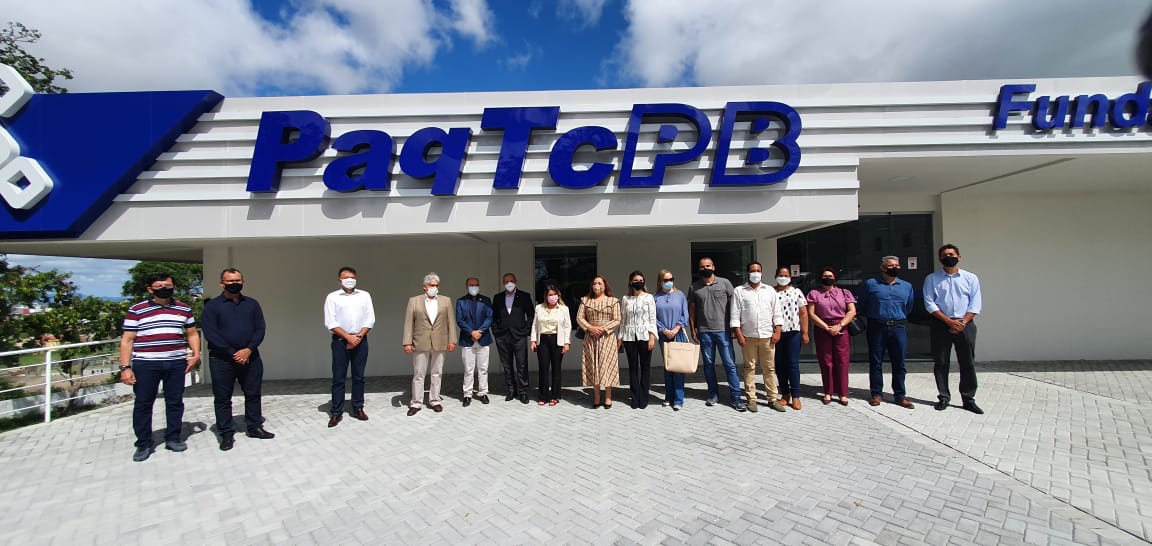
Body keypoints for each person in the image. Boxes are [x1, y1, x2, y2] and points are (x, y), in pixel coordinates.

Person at [119, 273, 200, 462]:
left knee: (175, 402)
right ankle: (144, 443)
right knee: (143, 404)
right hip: (146, 364)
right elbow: (127, 340)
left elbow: (192, 333)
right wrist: (125, 367)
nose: (164, 289)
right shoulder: (137, 310)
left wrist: (196, 355)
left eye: (168, 285)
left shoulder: (183, 308)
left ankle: (173, 437)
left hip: (176, 363)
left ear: (174, 287)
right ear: (150, 289)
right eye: (159, 286)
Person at [200, 268, 274, 452]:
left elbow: (260, 329)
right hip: (222, 359)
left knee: (253, 394)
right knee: (223, 398)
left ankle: (254, 427)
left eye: (237, 280)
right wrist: (233, 352)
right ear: (222, 283)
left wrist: (248, 349)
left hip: (250, 357)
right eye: (230, 281)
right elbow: (210, 333)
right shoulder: (213, 306)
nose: (234, 284)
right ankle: (226, 433)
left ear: (243, 282)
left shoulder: (252, 304)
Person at [924, 244, 984, 414]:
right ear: (940, 259)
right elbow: (929, 303)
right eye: (944, 255)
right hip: (941, 325)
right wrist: (949, 322)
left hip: (965, 325)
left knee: (967, 363)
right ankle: (943, 397)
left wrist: (962, 322)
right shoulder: (932, 279)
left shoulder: (970, 278)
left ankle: (968, 399)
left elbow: (975, 303)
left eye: (951, 254)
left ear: (959, 257)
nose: (948, 257)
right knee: (941, 362)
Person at [858, 256, 915, 408]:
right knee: (876, 361)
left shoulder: (907, 286)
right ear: (882, 268)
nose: (894, 268)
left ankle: (900, 395)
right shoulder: (871, 284)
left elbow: (909, 307)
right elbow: (862, 304)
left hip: (898, 327)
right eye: (890, 265)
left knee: (899, 362)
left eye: (897, 265)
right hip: (877, 326)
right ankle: (876, 394)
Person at [323, 266, 375, 427]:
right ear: (339, 280)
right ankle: (336, 412)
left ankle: (358, 407)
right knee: (338, 378)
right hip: (340, 341)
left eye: (352, 277)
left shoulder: (364, 295)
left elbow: (370, 319)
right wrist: (348, 337)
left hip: (360, 340)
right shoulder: (332, 297)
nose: (350, 280)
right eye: (346, 277)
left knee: (359, 377)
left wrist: (358, 337)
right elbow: (330, 322)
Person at [688, 257, 743, 409]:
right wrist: (693, 329)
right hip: (704, 332)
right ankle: (713, 394)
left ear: (713, 267)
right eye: (702, 266)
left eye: (708, 265)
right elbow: (692, 310)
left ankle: (736, 398)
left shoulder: (725, 283)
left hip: (723, 331)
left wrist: (735, 327)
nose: (705, 268)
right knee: (708, 365)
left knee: (730, 364)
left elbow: (734, 307)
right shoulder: (694, 287)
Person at [730, 261, 785, 413]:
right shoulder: (739, 291)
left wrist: (778, 331)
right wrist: (739, 334)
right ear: (748, 273)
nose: (755, 273)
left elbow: (777, 313)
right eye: (753, 271)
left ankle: (772, 399)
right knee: (749, 368)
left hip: (768, 336)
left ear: (762, 272)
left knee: (769, 368)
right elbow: (735, 314)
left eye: (758, 270)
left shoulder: (769, 291)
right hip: (748, 336)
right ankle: (751, 399)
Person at [402, 273, 458, 416]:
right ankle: (416, 402)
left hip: (440, 341)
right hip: (420, 341)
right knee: (419, 374)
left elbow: (451, 322)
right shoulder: (414, 301)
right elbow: (409, 323)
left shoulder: (446, 301)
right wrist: (407, 342)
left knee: (437, 373)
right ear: (425, 287)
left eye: (436, 285)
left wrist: (452, 340)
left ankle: (435, 400)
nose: (434, 288)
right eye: (432, 285)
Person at [807, 267, 857, 406]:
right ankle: (828, 391)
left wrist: (839, 325)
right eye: (825, 276)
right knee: (826, 361)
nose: (827, 278)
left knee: (842, 361)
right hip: (822, 328)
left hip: (841, 327)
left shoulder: (845, 292)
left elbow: (852, 311)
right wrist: (826, 327)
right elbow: (811, 313)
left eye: (830, 276)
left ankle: (842, 393)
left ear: (835, 278)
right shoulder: (814, 293)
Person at [577, 276, 621, 408]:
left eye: (600, 283)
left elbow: (617, 319)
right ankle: (596, 396)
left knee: (607, 365)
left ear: (605, 285)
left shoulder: (613, 301)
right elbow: (579, 317)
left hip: (607, 337)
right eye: (595, 283)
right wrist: (590, 328)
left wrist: (603, 329)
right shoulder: (585, 300)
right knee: (593, 365)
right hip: (591, 337)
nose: (597, 285)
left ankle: (608, 396)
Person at [491, 273, 534, 404]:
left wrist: (526, 330)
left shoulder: (524, 296)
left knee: (522, 364)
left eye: (511, 281)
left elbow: (531, 315)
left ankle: (523, 391)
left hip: (519, 336)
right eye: (506, 281)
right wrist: (496, 332)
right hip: (502, 337)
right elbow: (493, 317)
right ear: (503, 283)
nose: (509, 283)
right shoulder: (498, 297)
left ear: (515, 281)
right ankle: (511, 389)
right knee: (507, 365)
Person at [772, 267, 810, 410]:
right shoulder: (771, 292)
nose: (783, 277)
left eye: (786, 275)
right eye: (780, 275)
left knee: (792, 364)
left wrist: (805, 333)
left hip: (793, 332)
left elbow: (803, 313)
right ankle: (785, 394)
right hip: (776, 333)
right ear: (776, 276)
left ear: (790, 277)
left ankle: (796, 396)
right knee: (779, 364)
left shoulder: (796, 292)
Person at [619, 271, 657, 409]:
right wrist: (620, 337)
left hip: (645, 336)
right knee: (633, 367)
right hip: (629, 337)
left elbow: (652, 318)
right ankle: (634, 397)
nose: (638, 282)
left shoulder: (649, 297)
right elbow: (623, 320)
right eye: (636, 280)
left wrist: (652, 337)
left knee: (645, 367)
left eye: (641, 280)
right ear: (631, 282)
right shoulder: (625, 299)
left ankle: (644, 397)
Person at [529, 285, 572, 406]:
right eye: (550, 295)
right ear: (546, 296)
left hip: (557, 340)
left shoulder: (564, 309)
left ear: (558, 295)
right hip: (543, 340)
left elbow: (568, 326)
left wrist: (567, 343)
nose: (553, 297)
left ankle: (554, 395)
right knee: (543, 368)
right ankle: (543, 396)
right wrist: (533, 340)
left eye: (554, 294)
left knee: (556, 369)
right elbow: (534, 325)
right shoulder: (539, 308)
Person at [655, 269, 689, 410]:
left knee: (678, 367)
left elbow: (685, 314)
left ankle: (678, 399)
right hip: (664, 335)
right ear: (660, 281)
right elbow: (653, 317)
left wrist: (676, 328)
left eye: (671, 279)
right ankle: (668, 396)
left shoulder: (680, 295)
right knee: (668, 367)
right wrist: (664, 330)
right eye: (666, 280)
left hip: (678, 334)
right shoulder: (655, 297)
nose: (669, 282)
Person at [456, 277, 493, 407]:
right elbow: (460, 320)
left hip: (483, 338)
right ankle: (467, 394)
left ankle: (483, 392)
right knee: (468, 369)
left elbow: (489, 317)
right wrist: (471, 332)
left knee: (483, 368)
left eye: (476, 285)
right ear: (466, 286)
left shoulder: (486, 300)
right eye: (471, 285)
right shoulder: (461, 301)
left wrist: (480, 332)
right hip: (468, 339)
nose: (474, 287)